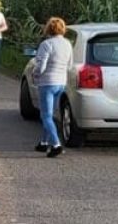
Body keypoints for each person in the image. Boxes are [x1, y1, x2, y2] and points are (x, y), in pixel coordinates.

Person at [32, 17, 72, 158]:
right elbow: (70, 65)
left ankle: (56, 144)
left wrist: (35, 74)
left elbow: (41, 66)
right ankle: (43, 142)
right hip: (61, 82)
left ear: (49, 28)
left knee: (45, 115)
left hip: (47, 82)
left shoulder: (46, 44)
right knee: (50, 115)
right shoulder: (67, 44)